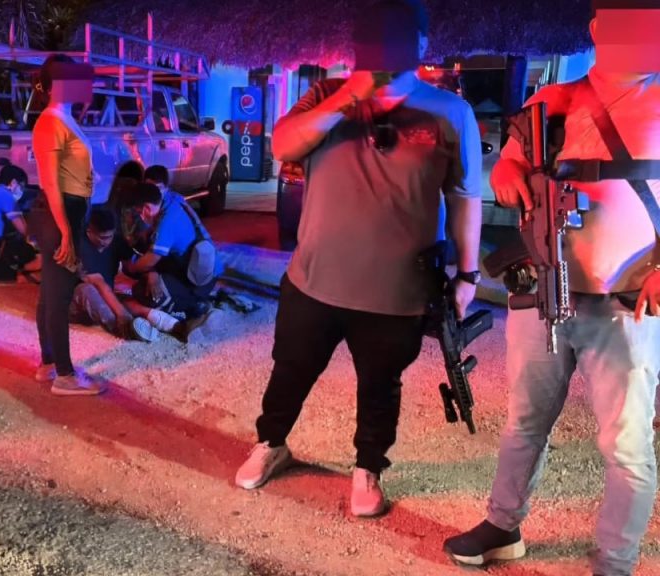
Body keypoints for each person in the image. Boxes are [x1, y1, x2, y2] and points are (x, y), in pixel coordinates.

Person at [233, 0, 483, 518]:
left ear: (421, 42)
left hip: (397, 290)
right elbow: (284, 145)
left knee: (380, 385)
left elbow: (464, 197)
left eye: (395, 33)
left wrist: (468, 273)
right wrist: (352, 93)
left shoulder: (451, 112)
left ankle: (368, 467)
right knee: (291, 369)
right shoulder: (325, 95)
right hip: (314, 279)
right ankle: (271, 442)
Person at [445, 2, 660, 573]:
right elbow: (507, 165)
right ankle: (503, 525)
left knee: (627, 448)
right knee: (524, 423)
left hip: (627, 304)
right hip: (542, 290)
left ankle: (615, 562)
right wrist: (507, 173)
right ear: (598, 31)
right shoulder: (553, 100)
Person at [28, 54, 105, 396]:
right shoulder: (49, 122)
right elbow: (50, 183)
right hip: (59, 213)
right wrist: (66, 232)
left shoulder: (65, 117)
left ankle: (49, 364)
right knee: (58, 295)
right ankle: (65, 375)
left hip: (68, 211)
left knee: (50, 292)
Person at [122, 183, 221, 342]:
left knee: (141, 291)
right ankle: (190, 306)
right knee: (147, 276)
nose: (140, 216)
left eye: (140, 212)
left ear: (146, 208)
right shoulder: (171, 201)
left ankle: (189, 312)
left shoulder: (166, 223)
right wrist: (152, 273)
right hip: (197, 267)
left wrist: (131, 267)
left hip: (198, 281)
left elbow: (149, 261)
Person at [71, 206, 159, 342]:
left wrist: (151, 273)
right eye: (102, 237)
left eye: (110, 236)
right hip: (76, 304)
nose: (106, 241)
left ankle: (166, 322)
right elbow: (99, 284)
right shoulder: (80, 246)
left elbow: (132, 266)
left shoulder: (116, 240)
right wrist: (122, 313)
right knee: (87, 290)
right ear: (89, 231)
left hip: (106, 293)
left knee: (129, 301)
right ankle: (126, 330)